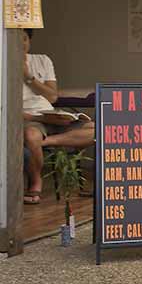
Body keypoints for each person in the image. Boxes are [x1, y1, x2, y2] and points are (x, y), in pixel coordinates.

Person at [21, 29, 94, 204]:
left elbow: (52, 97)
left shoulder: (42, 60)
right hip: (28, 118)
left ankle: (46, 142)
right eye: (15, 40)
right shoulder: (3, 66)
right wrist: (35, 118)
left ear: (29, 41)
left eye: (24, 39)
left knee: (98, 130)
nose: (20, 44)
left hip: (49, 113)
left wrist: (28, 77)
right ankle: (35, 183)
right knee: (31, 136)